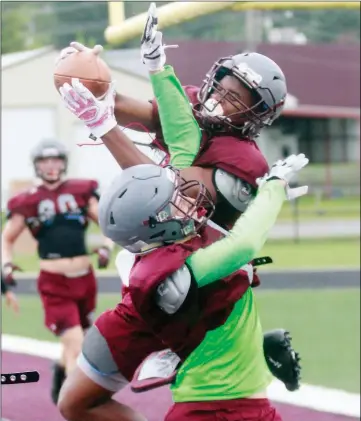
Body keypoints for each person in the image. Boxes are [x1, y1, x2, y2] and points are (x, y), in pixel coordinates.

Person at [58, 2, 301, 392]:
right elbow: (125, 108)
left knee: (164, 292)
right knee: (77, 401)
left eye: (235, 99)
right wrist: (85, 78)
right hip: (159, 254)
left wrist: (101, 124)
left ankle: (182, 343)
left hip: (200, 279)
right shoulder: (186, 108)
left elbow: (167, 194)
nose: (218, 99)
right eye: (220, 87)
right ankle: (206, 341)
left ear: (255, 117)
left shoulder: (243, 160)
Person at [1, 140, 113, 404]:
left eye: (56, 161)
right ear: (37, 166)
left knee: (80, 339)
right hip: (54, 283)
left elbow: (108, 225)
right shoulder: (27, 200)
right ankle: (82, 406)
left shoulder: (82, 190)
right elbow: (7, 239)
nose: (51, 167)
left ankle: (61, 370)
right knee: (77, 344)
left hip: (85, 279)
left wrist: (107, 247)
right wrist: (6, 264)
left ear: (64, 163)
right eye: (45, 162)